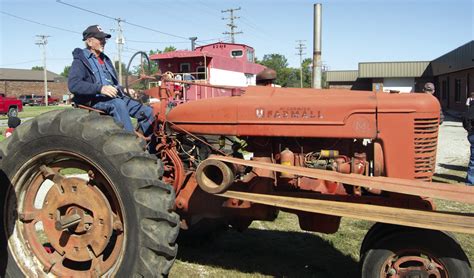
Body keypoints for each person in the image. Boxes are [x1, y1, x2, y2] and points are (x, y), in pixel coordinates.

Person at [68, 25, 153, 136]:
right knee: (118, 104)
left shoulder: (105, 60)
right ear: (89, 42)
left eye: (104, 39)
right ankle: (129, 145)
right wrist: (100, 89)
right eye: (100, 39)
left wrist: (125, 90)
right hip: (94, 100)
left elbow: (113, 85)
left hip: (114, 98)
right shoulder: (80, 60)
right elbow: (74, 84)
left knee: (148, 113)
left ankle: (149, 147)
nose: (104, 42)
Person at [464, 92, 474, 185]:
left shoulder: (470, 109)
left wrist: (469, 130)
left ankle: (470, 181)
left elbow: (465, 120)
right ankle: (470, 181)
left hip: (472, 134)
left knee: (473, 159)